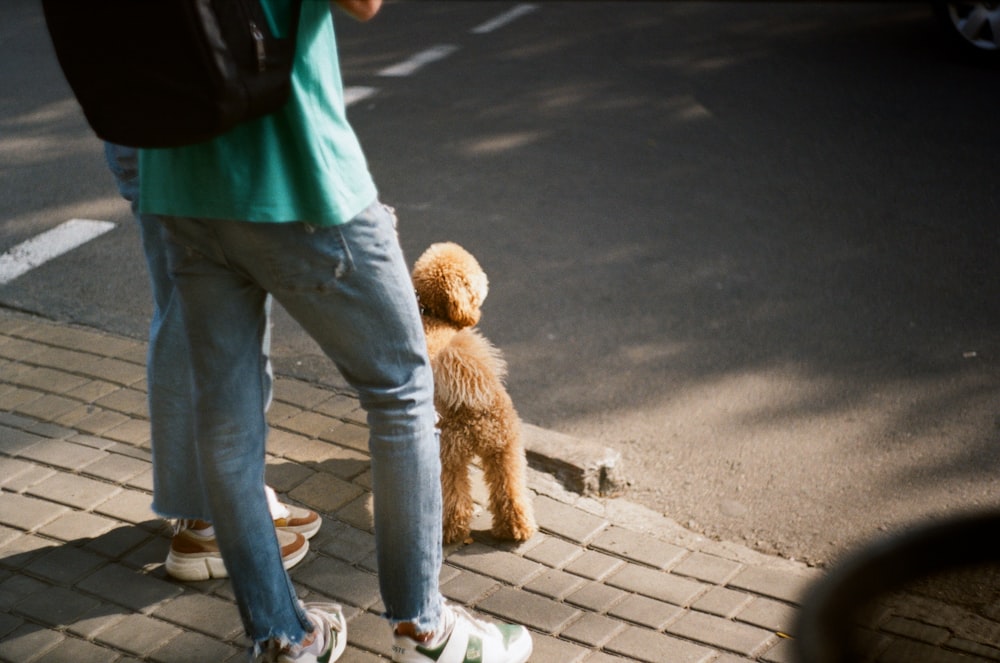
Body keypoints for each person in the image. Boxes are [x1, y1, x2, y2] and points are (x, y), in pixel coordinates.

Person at [136, 1, 534, 662]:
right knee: (402, 388)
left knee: (227, 423)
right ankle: (425, 629)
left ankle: (282, 636)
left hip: (179, 177)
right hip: (293, 172)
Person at [104, 142, 321, 582]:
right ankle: (209, 522)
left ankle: (224, 499)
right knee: (199, 322)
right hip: (180, 139)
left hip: (160, 130)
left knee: (213, 311)